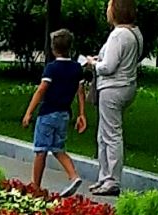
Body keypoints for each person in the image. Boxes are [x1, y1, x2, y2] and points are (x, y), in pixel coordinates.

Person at [86, 0, 143, 195]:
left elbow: (108, 67)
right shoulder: (135, 33)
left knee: (110, 135)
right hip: (126, 86)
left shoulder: (118, 34)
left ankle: (111, 180)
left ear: (116, 11)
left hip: (112, 88)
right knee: (104, 133)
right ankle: (104, 177)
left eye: (109, 7)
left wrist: (93, 64)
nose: (107, 11)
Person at [22, 28, 86, 194]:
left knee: (41, 150)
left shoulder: (52, 68)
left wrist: (29, 112)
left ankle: (35, 186)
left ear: (53, 49)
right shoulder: (76, 68)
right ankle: (73, 175)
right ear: (70, 47)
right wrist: (81, 114)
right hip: (64, 114)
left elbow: (41, 89)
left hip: (48, 113)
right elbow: (80, 92)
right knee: (58, 149)